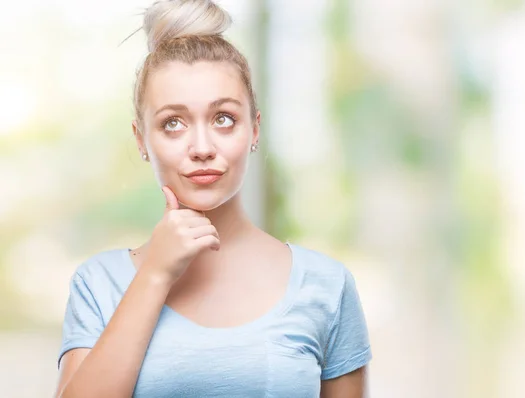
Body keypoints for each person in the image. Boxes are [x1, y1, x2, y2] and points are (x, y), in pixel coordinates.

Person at [54, 1, 372, 397]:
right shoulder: (98, 284)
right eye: (173, 123)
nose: (202, 147)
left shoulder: (326, 286)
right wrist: (155, 275)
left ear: (254, 130)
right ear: (142, 139)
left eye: (223, 118)